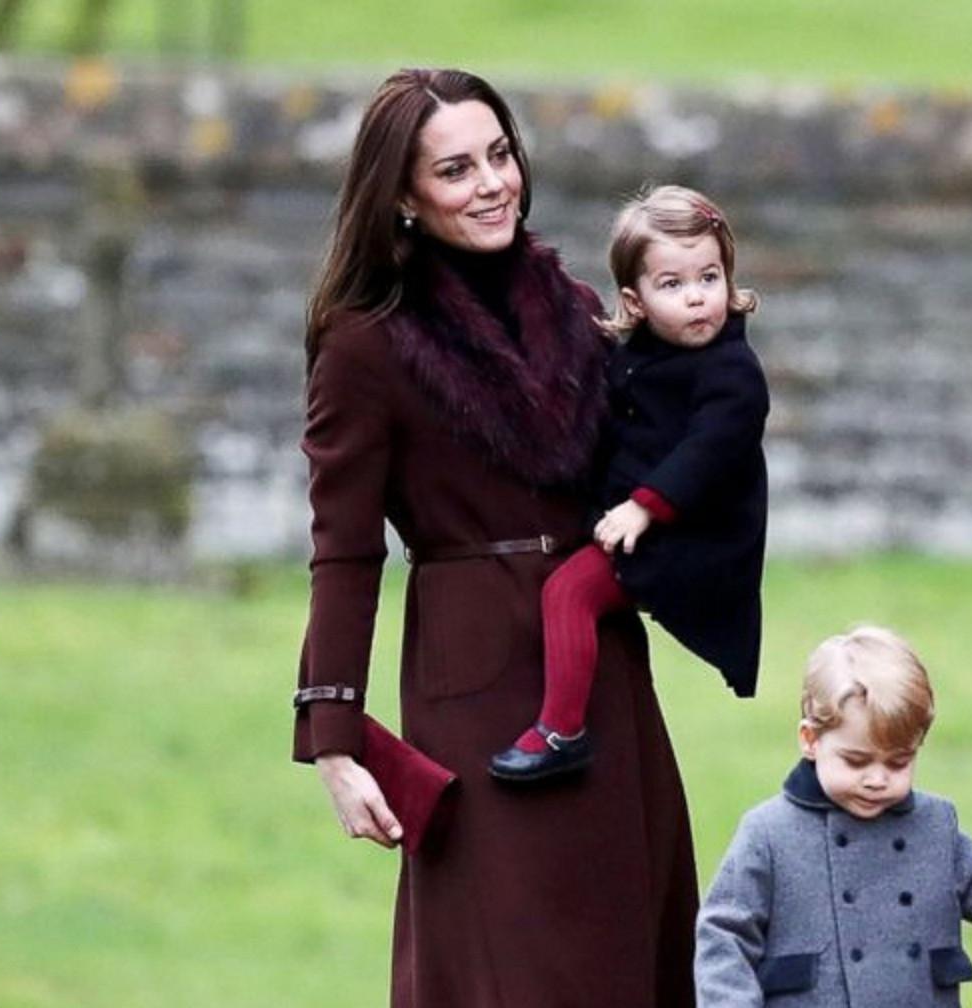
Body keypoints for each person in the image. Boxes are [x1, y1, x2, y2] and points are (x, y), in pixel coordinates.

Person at [290, 69, 696, 1006]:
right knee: (508, 960)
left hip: (598, 665)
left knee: (630, 946)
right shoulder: (365, 344)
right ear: (402, 195)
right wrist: (336, 741)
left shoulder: (578, 308)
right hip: (473, 690)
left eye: (500, 155)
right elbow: (344, 550)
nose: (491, 184)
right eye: (455, 169)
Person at [490, 185, 769, 782]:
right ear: (634, 301)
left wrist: (643, 509)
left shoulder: (734, 374)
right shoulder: (635, 356)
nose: (697, 299)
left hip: (692, 542)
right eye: (672, 285)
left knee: (570, 593)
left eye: (710, 277)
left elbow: (707, 452)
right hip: (637, 522)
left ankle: (561, 731)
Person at [696, 626, 972, 1006]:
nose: (877, 779)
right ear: (810, 740)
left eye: (899, 762)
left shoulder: (935, 825)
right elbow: (724, 936)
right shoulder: (769, 832)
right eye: (856, 760)